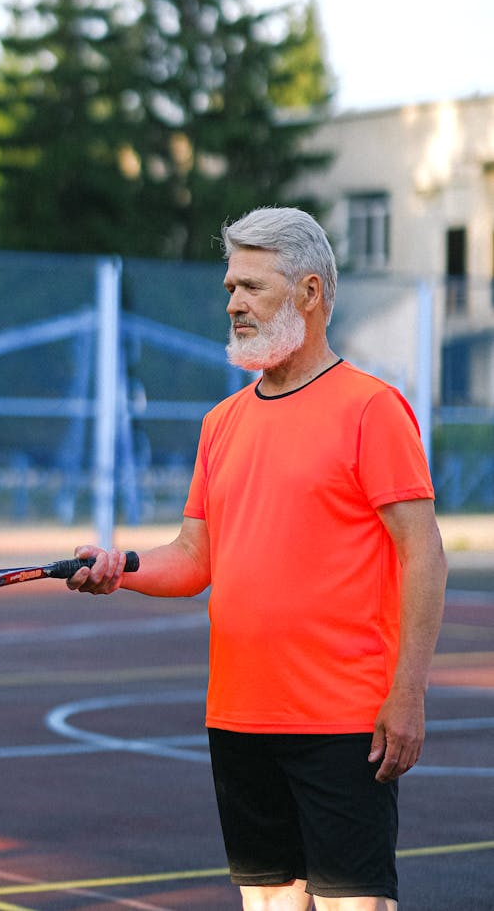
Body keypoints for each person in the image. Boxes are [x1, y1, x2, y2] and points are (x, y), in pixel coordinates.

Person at [67, 206, 448, 911]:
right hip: (240, 717)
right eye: (229, 288)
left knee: (352, 904)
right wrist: (121, 564)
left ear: (309, 294)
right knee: (270, 901)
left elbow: (424, 553)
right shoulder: (223, 423)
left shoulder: (372, 409)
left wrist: (409, 691)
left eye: (252, 286)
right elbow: (193, 556)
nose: (234, 303)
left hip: (343, 720)